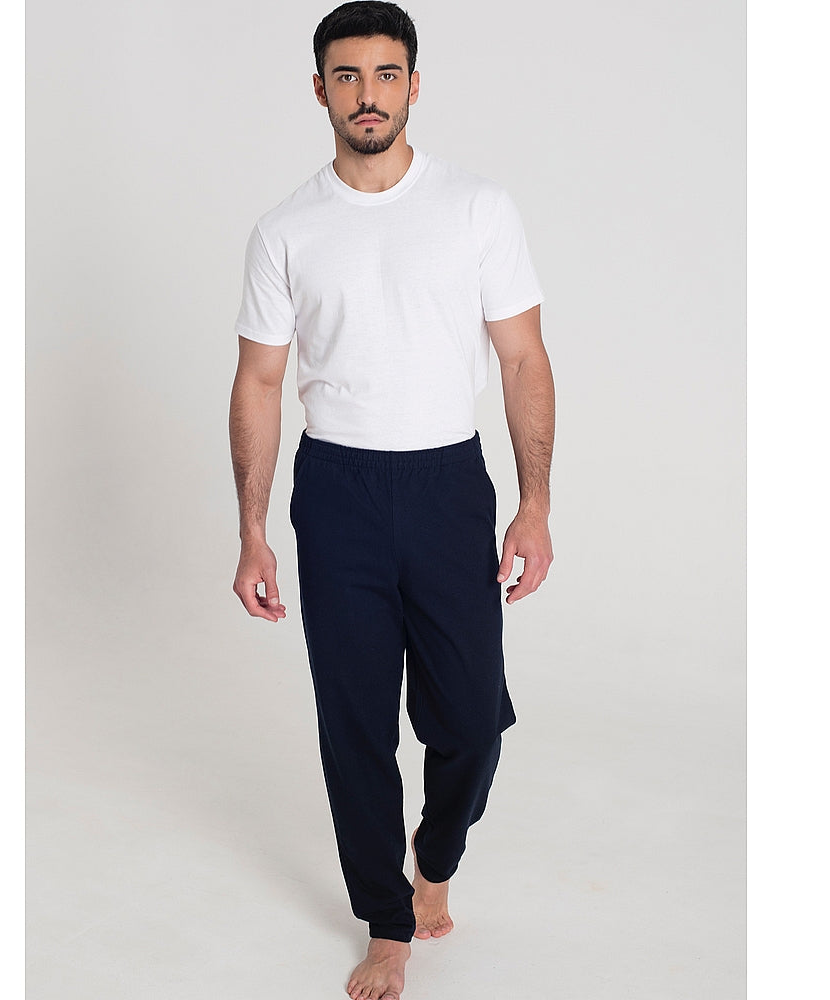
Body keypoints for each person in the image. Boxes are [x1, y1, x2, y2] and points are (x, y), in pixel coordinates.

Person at [228, 3, 554, 997]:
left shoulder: (477, 209)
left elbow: (523, 358)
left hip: (447, 485)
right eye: (346, 75)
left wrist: (534, 504)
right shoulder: (286, 229)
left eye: (383, 74)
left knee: (471, 722)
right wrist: (251, 529)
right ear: (319, 90)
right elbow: (258, 381)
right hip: (338, 493)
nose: (365, 94)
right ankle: (386, 920)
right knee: (356, 725)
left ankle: (434, 856)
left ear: (413, 85)